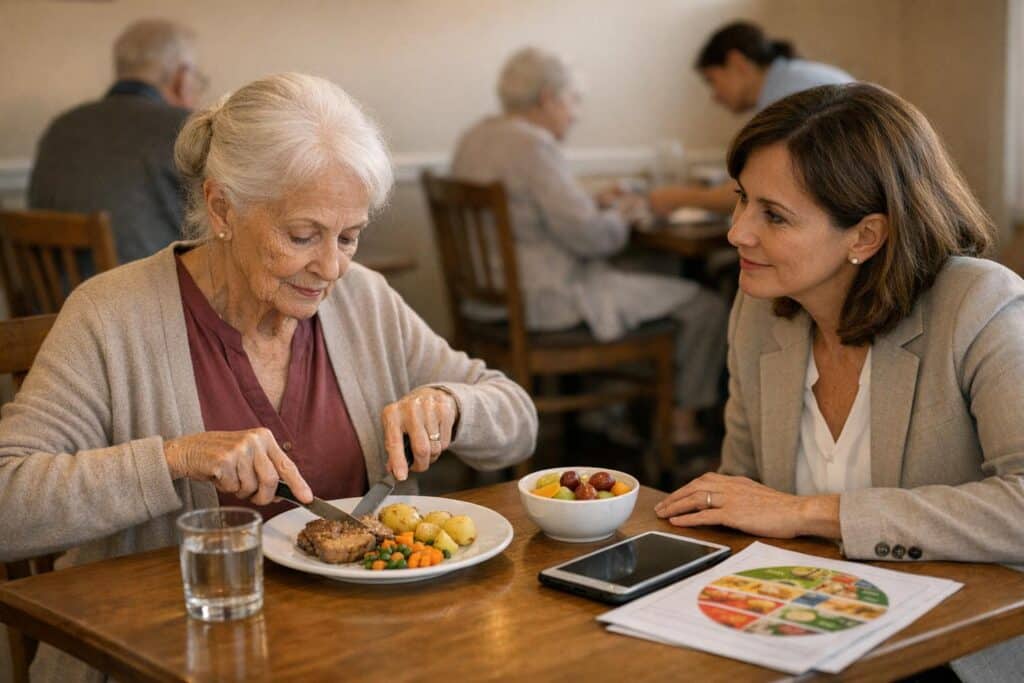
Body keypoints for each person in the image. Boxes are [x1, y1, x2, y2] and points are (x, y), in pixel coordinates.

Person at [1, 73, 537, 683]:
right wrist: (173, 458)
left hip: (371, 648)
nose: (331, 267)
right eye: (301, 236)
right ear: (223, 207)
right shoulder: (112, 314)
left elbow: (517, 420)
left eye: (350, 237)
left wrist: (452, 404)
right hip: (166, 655)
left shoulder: (363, 301)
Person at [654, 82, 1024, 681]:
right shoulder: (758, 310)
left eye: (773, 215)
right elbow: (742, 496)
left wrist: (813, 513)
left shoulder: (979, 305)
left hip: (948, 649)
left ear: (865, 236)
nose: (737, 232)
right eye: (741, 200)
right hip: (796, 628)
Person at [452, 47, 727, 445]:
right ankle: (681, 425)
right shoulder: (534, 146)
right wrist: (625, 212)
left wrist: (594, 203)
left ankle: (606, 417)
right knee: (706, 307)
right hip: (548, 302)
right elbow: (593, 239)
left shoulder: (475, 138)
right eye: (573, 100)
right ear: (548, 97)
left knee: (634, 284)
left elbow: (532, 212)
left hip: (487, 303)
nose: (576, 113)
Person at [28, 18, 207, 264]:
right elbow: (214, 234)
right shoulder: (181, 127)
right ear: (182, 78)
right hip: (133, 297)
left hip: (48, 296)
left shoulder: (61, 126)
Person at [648, 21, 853, 216]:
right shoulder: (794, 77)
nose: (715, 96)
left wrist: (679, 198)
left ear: (737, 63)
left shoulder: (786, 98)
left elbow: (761, 188)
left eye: (712, 80)